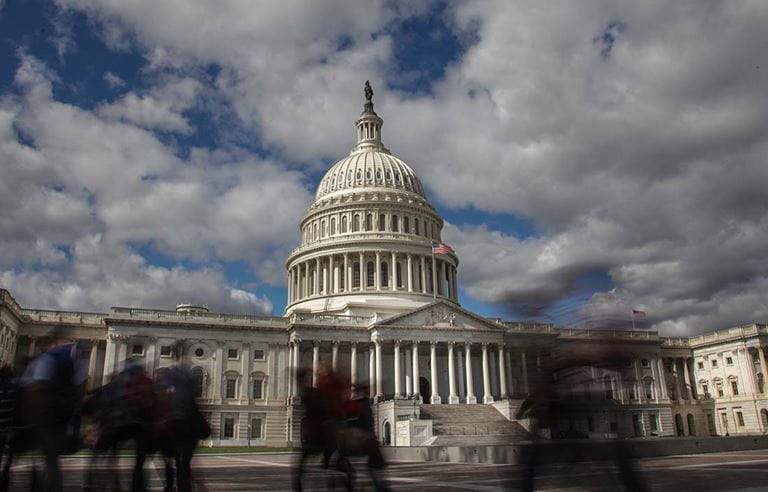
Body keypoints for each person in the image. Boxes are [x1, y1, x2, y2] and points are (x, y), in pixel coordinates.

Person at [19, 329, 87, 491]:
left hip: (45, 417)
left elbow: (37, 386)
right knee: (52, 461)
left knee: (47, 461)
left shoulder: (48, 358)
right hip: (63, 418)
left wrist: (32, 415)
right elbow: (81, 387)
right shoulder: (73, 362)